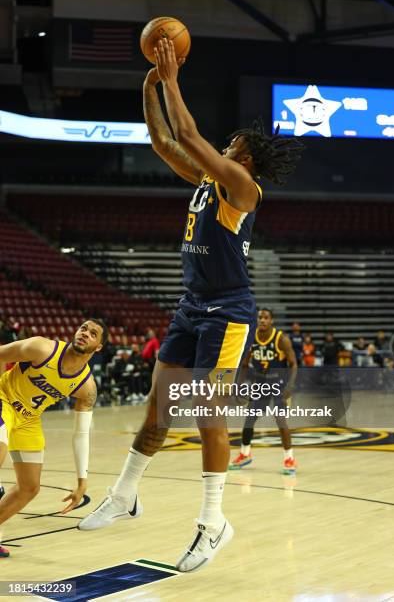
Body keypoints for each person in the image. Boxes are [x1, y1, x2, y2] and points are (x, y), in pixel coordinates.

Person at [78, 38, 303, 572]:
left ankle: (213, 521)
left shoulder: (243, 185)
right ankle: (126, 494)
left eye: (232, 142)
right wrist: (150, 84)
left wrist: (173, 76)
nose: (224, 145)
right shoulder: (208, 178)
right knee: (157, 411)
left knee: (207, 414)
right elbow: (163, 140)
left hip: (228, 311)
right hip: (191, 305)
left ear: (244, 155)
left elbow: (188, 134)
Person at [0, 319, 107, 558]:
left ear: (98, 347)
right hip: (4, 398)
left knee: (29, 488)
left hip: (29, 418)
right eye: (83, 328)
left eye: (93, 333)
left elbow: (81, 434)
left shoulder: (86, 387)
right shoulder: (41, 348)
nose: (84, 334)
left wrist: (82, 481)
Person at [229, 309, 298, 474]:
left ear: (271, 321)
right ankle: (245, 454)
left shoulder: (281, 339)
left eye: (266, 318)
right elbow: (245, 365)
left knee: (280, 420)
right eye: (260, 317)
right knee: (249, 419)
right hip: (260, 383)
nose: (262, 320)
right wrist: (237, 386)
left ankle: (289, 458)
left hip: (278, 384)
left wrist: (290, 386)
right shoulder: (251, 338)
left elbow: (293, 364)